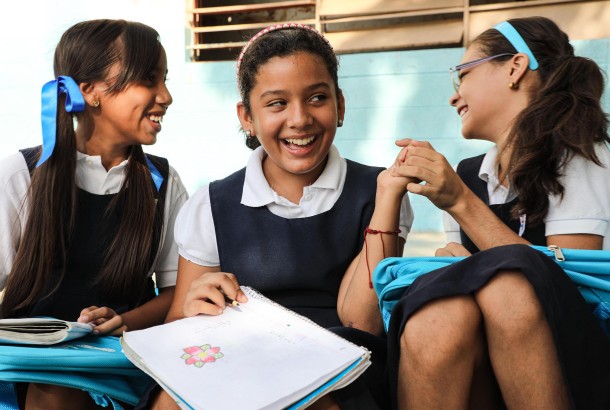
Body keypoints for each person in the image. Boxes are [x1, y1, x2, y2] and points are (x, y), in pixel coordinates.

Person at [144, 23, 414, 410]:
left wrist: (387, 197)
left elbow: (364, 323)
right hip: (235, 362)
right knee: (170, 400)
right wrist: (192, 308)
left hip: (341, 373)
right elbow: (178, 331)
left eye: (317, 98)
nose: (300, 119)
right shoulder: (213, 203)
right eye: (276, 103)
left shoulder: (379, 192)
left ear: (340, 104)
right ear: (247, 117)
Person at [386, 16, 610, 409]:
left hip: (578, 356)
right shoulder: (469, 174)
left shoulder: (580, 157)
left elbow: (568, 294)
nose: (455, 97)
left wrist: (460, 203)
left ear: (514, 67)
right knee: (438, 314)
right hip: (488, 349)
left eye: (462, 75)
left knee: (505, 288)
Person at [0, 19, 188, 408]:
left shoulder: (163, 182)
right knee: (53, 390)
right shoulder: (22, 176)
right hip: (36, 368)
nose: (165, 96)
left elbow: (176, 294)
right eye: (149, 80)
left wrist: (125, 322)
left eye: (164, 79)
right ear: (90, 91)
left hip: (125, 360)